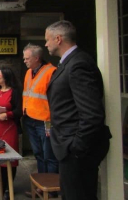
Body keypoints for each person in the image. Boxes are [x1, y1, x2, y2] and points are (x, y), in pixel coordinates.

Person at [45, 20, 111, 200]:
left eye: (48, 40)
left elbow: (92, 114)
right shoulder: (68, 63)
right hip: (69, 146)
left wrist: (75, 148)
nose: (46, 44)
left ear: (58, 39)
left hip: (76, 151)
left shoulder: (78, 64)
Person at [22, 43, 59, 198]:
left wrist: (52, 123)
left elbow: (55, 100)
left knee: (49, 155)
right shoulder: (29, 72)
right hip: (30, 119)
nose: (24, 61)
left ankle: (51, 190)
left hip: (45, 121)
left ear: (37, 58)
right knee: (38, 154)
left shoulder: (52, 72)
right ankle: (40, 186)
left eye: (27, 58)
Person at [0, 67, 22, 200]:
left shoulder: (14, 92)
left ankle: (8, 188)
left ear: (5, 78)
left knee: (9, 158)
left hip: (9, 128)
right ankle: (0, 185)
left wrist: (7, 115)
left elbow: (19, 111)